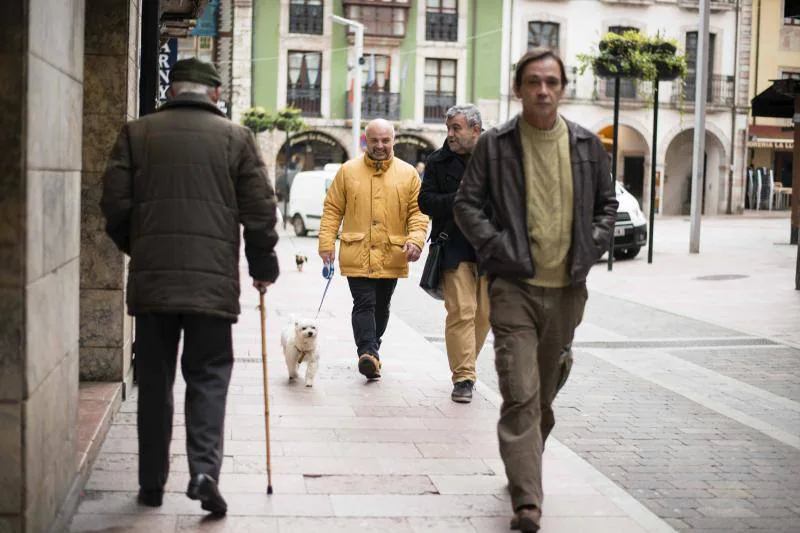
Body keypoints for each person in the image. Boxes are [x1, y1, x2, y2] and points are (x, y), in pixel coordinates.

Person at [100, 58, 280, 516]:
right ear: (215, 94)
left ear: (172, 89)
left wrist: (140, 247)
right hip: (211, 287)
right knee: (209, 377)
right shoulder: (236, 139)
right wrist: (263, 264)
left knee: (155, 382)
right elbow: (259, 210)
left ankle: (151, 486)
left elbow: (115, 206)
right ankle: (203, 472)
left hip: (154, 285)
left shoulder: (136, 133)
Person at [453, 48, 618, 532]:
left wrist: (594, 244)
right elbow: (468, 205)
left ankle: (525, 454)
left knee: (544, 393)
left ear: (563, 87)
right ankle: (528, 500)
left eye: (551, 81)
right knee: (520, 391)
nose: (542, 90)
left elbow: (607, 206)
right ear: (519, 88)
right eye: (533, 82)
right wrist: (498, 246)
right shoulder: (496, 144)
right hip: (514, 287)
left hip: (567, 290)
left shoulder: (588, 145)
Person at [318, 118, 429, 380]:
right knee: (364, 302)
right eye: (374, 140)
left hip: (392, 252)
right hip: (357, 249)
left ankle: (372, 352)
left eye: (385, 140)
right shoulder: (347, 171)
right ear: (366, 140)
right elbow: (333, 209)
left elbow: (419, 212)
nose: (380, 145)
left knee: (382, 305)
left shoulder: (408, 174)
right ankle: (367, 352)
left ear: (393, 140)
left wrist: (416, 239)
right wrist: (326, 243)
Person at [418, 104, 489, 403]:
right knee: (462, 311)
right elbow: (426, 202)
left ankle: (466, 365)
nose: (450, 134)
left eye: (456, 128)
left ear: (476, 130)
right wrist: (459, 198)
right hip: (454, 245)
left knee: (485, 314)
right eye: (448, 128)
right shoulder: (437, 161)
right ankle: (463, 377)